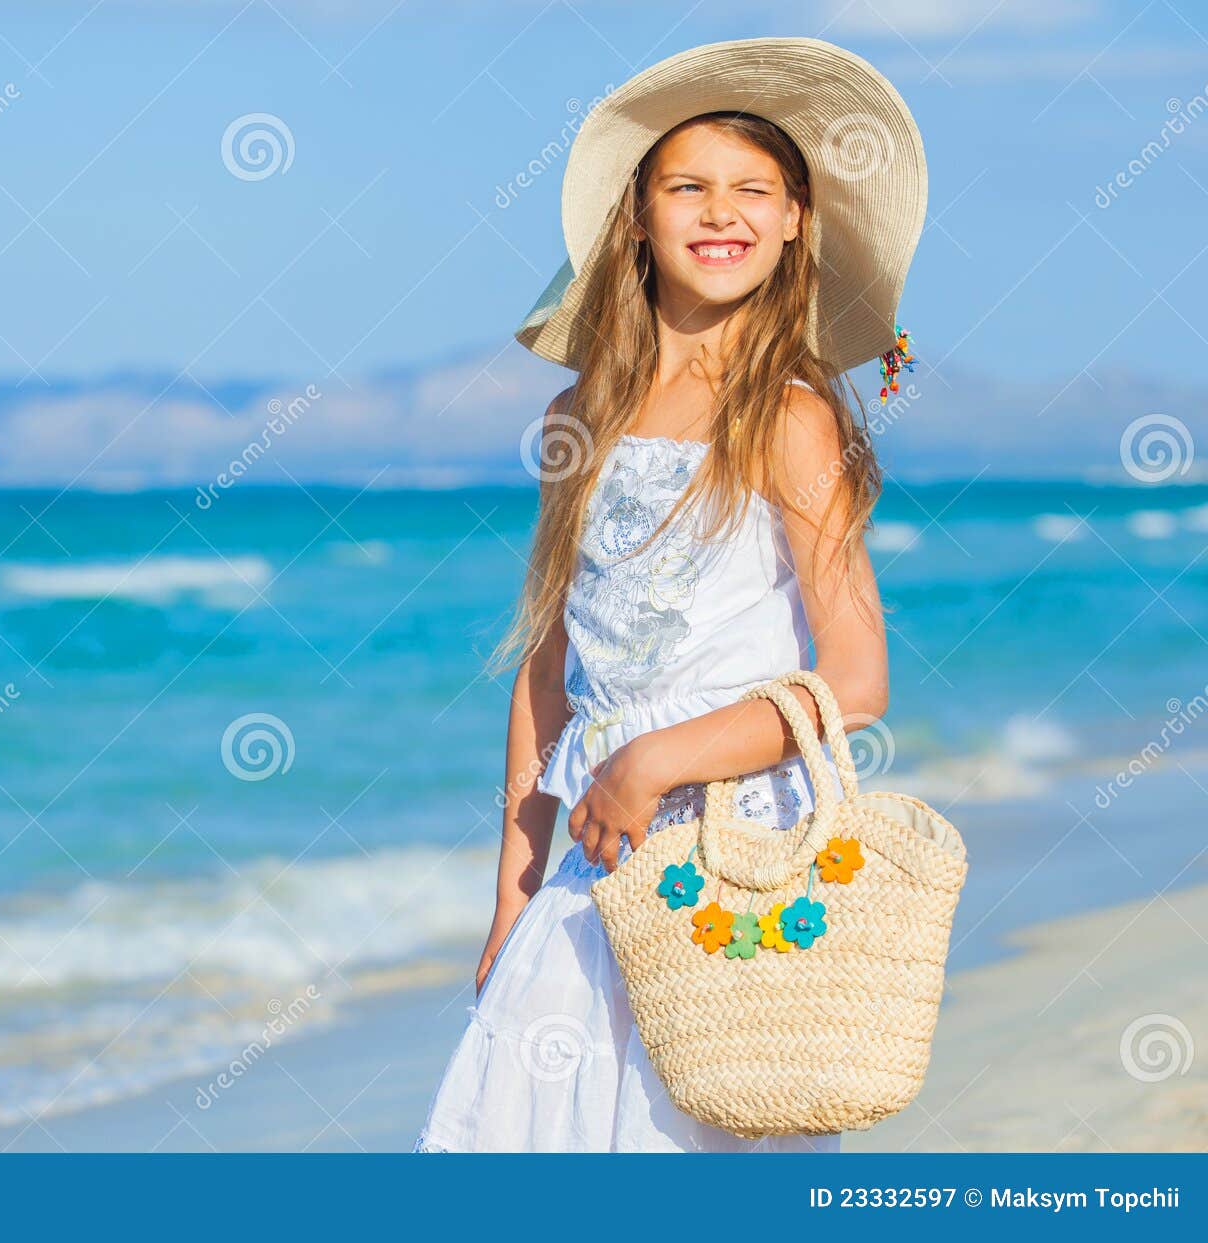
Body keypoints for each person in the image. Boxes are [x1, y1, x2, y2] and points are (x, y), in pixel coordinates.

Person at [412, 36, 925, 1152]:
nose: (717, 210)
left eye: (753, 189)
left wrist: (654, 760)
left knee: (695, 1132)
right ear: (634, 217)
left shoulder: (790, 420)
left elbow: (858, 677)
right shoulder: (575, 420)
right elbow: (548, 673)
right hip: (586, 870)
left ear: (796, 220)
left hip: (732, 858)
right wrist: (511, 894)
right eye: (684, 186)